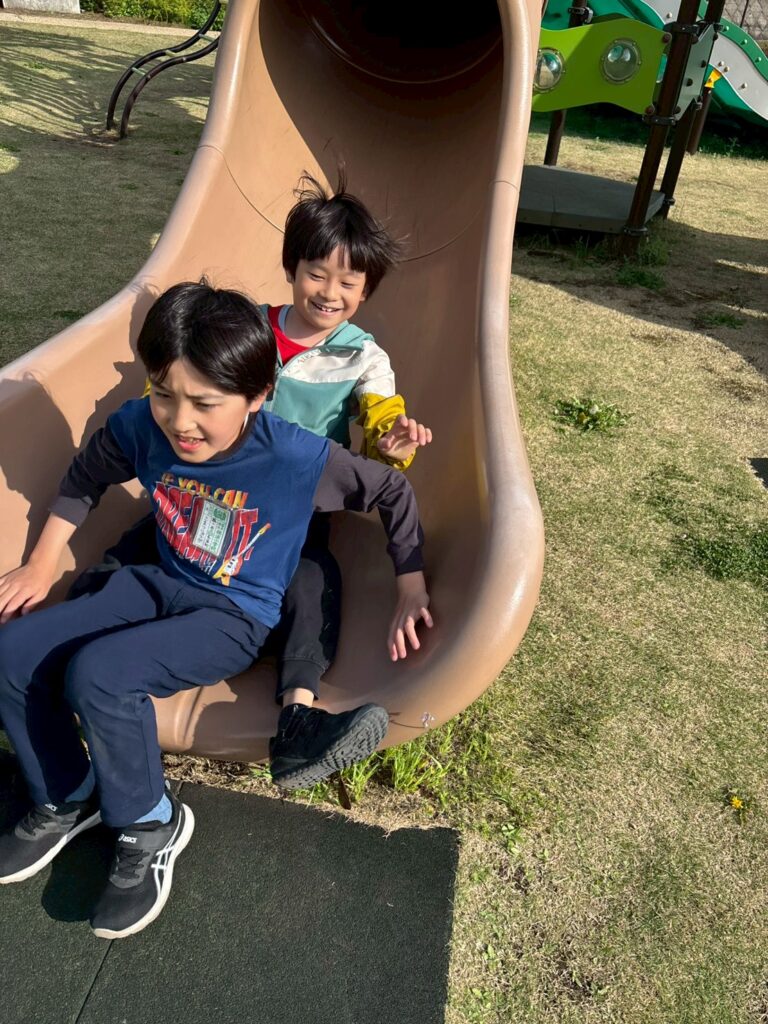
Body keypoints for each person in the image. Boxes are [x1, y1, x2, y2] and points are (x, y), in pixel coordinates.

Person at [0, 281, 432, 940]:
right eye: (164, 393)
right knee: (12, 653)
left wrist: (411, 584)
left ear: (258, 395)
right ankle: (66, 793)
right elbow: (86, 476)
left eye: (205, 403)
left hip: (232, 613)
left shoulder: (294, 455)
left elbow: (391, 492)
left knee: (100, 675)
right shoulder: (141, 425)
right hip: (156, 580)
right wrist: (41, 562)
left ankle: (151, 823)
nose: (180, 421)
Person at [70, 172, 434, 791]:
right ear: (292, 268)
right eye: (316, 274)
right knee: (144, 543)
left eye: (349, 282)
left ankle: (297, 720)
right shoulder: (248, 333)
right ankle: (80, 632)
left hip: (294, 504)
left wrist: (391, 446)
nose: (330, 293)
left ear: (367, 290)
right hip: (209, 490)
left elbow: (381, 426)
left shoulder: (363, 358)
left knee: (311, 580)